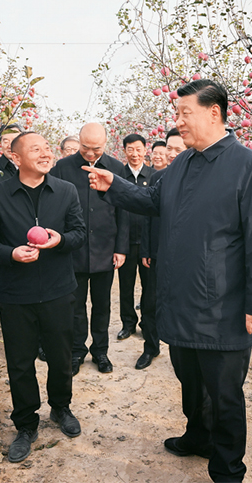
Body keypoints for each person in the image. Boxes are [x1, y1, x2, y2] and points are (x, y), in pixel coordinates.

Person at [82, 79, 252, 482]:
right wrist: (115, 186)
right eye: (177, 114)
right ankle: (198, 436)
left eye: (184, 113)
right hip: (182, 300)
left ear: (214, 112)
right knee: (189, 380)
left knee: (224, 394)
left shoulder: (247, 166)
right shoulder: (182, 165)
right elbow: (154, 201)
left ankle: (227, 469)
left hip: (223, 306)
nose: (178, 122)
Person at [0, 131, 87, 463]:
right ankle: (25, 424)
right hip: (17, 293)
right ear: (16, 157)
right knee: (20, 363)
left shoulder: (65, 191)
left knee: (61, 356)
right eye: (35, 149)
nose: (45, 153)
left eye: (47, 148)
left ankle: (61, 407)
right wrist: (11, 253)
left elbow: (79, 233)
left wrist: (59, 240)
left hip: (58, 290)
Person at [50, 123, 129, 375]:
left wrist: (121, 248)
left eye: (96, 148)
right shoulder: (62, 168)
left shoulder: (116, 168)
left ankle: (100, 351)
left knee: (102, 305)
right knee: (75, 306)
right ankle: (77, 351)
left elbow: (124, 212)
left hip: (105, 249)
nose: (91, 153)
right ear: (79, 141)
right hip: (73, 250)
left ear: (106, 144)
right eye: (85, 147)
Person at [135, 129, 186, 369]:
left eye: (178, 149)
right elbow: (148, 217)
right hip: (156, 253)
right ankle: (151, 347)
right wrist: (146, 250)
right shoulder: (158, 178)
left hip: (185, 256)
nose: (172, 154)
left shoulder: (202, 179)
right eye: (170, 148)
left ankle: (184, 350)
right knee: (150, 303)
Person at [116, 134, 154, 345]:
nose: (135, 154)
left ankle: (147, 324)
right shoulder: (118, 176)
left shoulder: (153, 175)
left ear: (145, 150)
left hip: (148, 242)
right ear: (124, 151)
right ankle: (128, 323)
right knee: (126, 285)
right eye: (130, 149)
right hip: (126, 242)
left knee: (149, 287)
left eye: (138, 149)